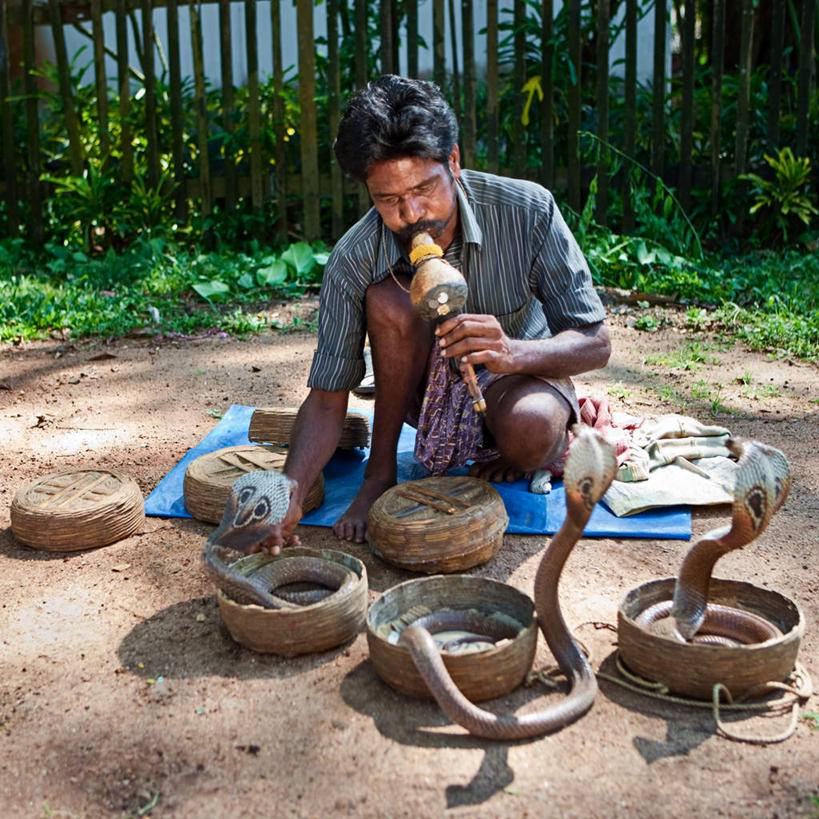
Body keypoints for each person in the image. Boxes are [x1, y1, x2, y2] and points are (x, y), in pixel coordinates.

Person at [260, 74, 610, 553]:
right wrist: (289, 491)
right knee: (390, 299)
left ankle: (516, 448)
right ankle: (379, 471)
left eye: (424, 188)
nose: (411, 213)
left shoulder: (528, 210)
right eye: (388, 199)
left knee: (531, 429)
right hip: (421, 395)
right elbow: (325, 399)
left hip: (516, 376)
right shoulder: (354, 257)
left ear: (454, 161)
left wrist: (512, 352)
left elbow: (595, 341)